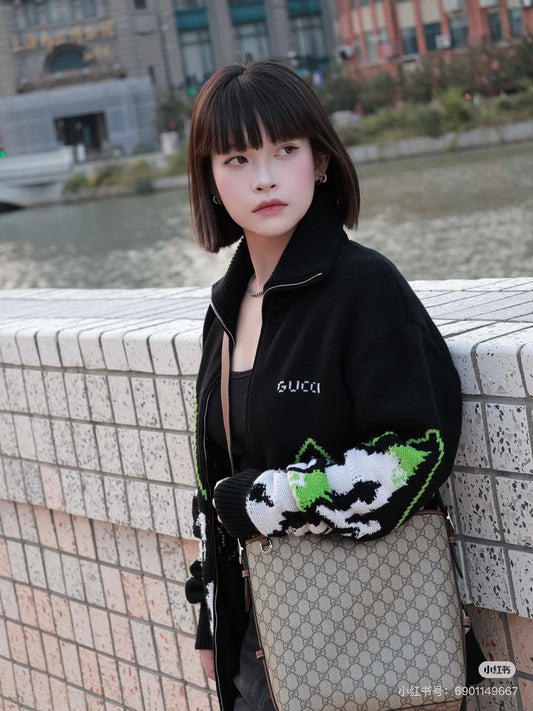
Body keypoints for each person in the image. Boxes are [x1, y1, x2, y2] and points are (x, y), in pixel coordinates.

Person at [184, 59, 463, 711]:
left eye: (285, 150)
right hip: (257, 649)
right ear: (210, 179)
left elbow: (416, 453)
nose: (264, 177)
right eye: (237, 158)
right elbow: (216, 482)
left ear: (322, 161)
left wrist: (275, 498)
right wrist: (210, 616)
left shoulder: (363, 287)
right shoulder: (224, 309)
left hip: (367, 643)